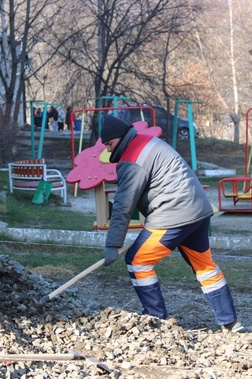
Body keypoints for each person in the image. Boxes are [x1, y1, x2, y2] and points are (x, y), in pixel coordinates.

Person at [99, 114, 243, 333]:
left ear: (119, 138)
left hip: (174, 215)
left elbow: (122, 206)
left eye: (109, 144)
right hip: (198, 211)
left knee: (137, 261)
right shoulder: (150, 142)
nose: (108, 151)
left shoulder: (131, 159)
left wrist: (112, 245)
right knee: (204, 266)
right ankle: (231, 323)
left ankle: (155, 320)